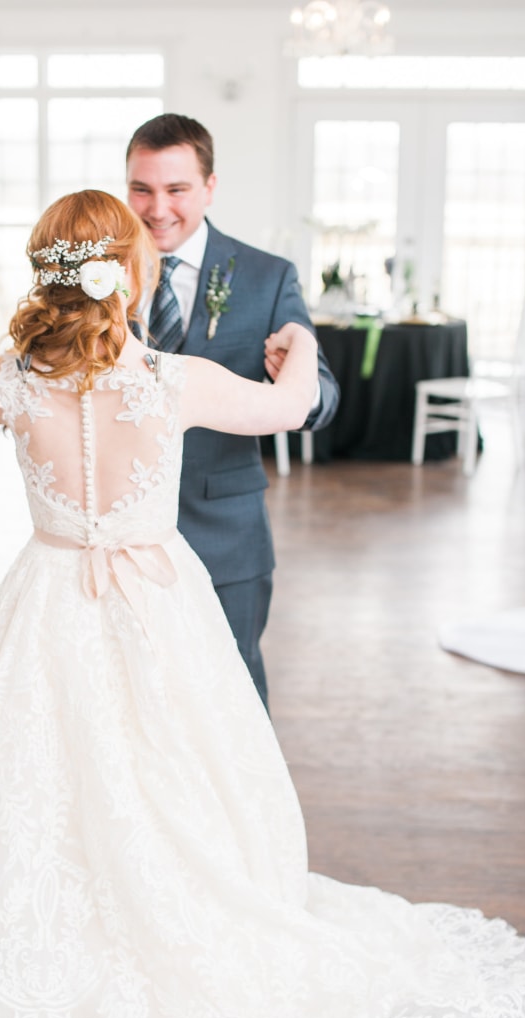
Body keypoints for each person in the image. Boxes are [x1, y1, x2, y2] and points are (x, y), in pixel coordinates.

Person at [0, 189, 525, 1018]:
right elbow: (292, 408)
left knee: (44, 780)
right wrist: (298, 345)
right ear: (130, 275)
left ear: (47, 278)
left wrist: (30, 341)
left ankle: (61, 944)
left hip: (49, 602)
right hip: (155, 600)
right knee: (178, 771)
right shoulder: (171, 380)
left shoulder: (16, 382)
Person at [126, 113, 340, 708]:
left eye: (177, 190)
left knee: (235, 699)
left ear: (210, 187)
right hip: (117, 542)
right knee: (132, 702)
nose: (157, 208)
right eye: (141, 188)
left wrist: (296, 372)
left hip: (225, 532)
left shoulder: (267, 277)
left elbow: (322, 394)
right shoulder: (99, 276)